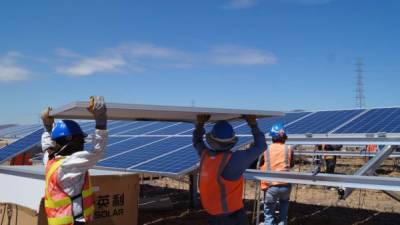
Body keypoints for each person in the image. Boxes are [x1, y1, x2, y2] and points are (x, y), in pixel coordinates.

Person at [41, 96, 108, 225]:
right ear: (69, 139)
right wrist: (101, 119)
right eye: (80, 139)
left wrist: (47, 127)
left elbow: (47, 148)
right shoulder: (69, 165)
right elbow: (97, 152)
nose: (82, 143)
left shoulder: (51, 162)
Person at [193, 115, 266, 225]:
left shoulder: (205, 155)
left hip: (211, 214)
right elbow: (261, 146)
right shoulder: (234, 159)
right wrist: (253, 124)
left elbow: (197, 141)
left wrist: (200, 124)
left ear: (211, 140)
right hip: (232, 216)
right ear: (232, 140)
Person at [260, 123, 294, 225]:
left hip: (271, 186)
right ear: (284, 137)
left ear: (272, 137)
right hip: (286, 186)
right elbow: (291, 164)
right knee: (283, 216)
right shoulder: (289, 148)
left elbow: (261, 163)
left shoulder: (266, 149)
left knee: (269, 215)